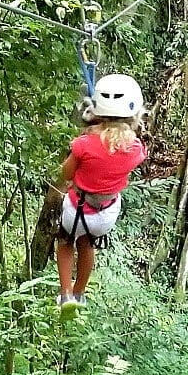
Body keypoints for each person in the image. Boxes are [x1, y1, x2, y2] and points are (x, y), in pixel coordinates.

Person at [56, 74, 147, 317]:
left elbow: (66, 174)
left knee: (66, 243)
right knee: (87, 243)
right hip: (106, 214)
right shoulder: (135, 149)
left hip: (76, 210)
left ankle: (65, 296)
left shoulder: (83, 144)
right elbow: (115, 149)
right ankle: (79, 293)